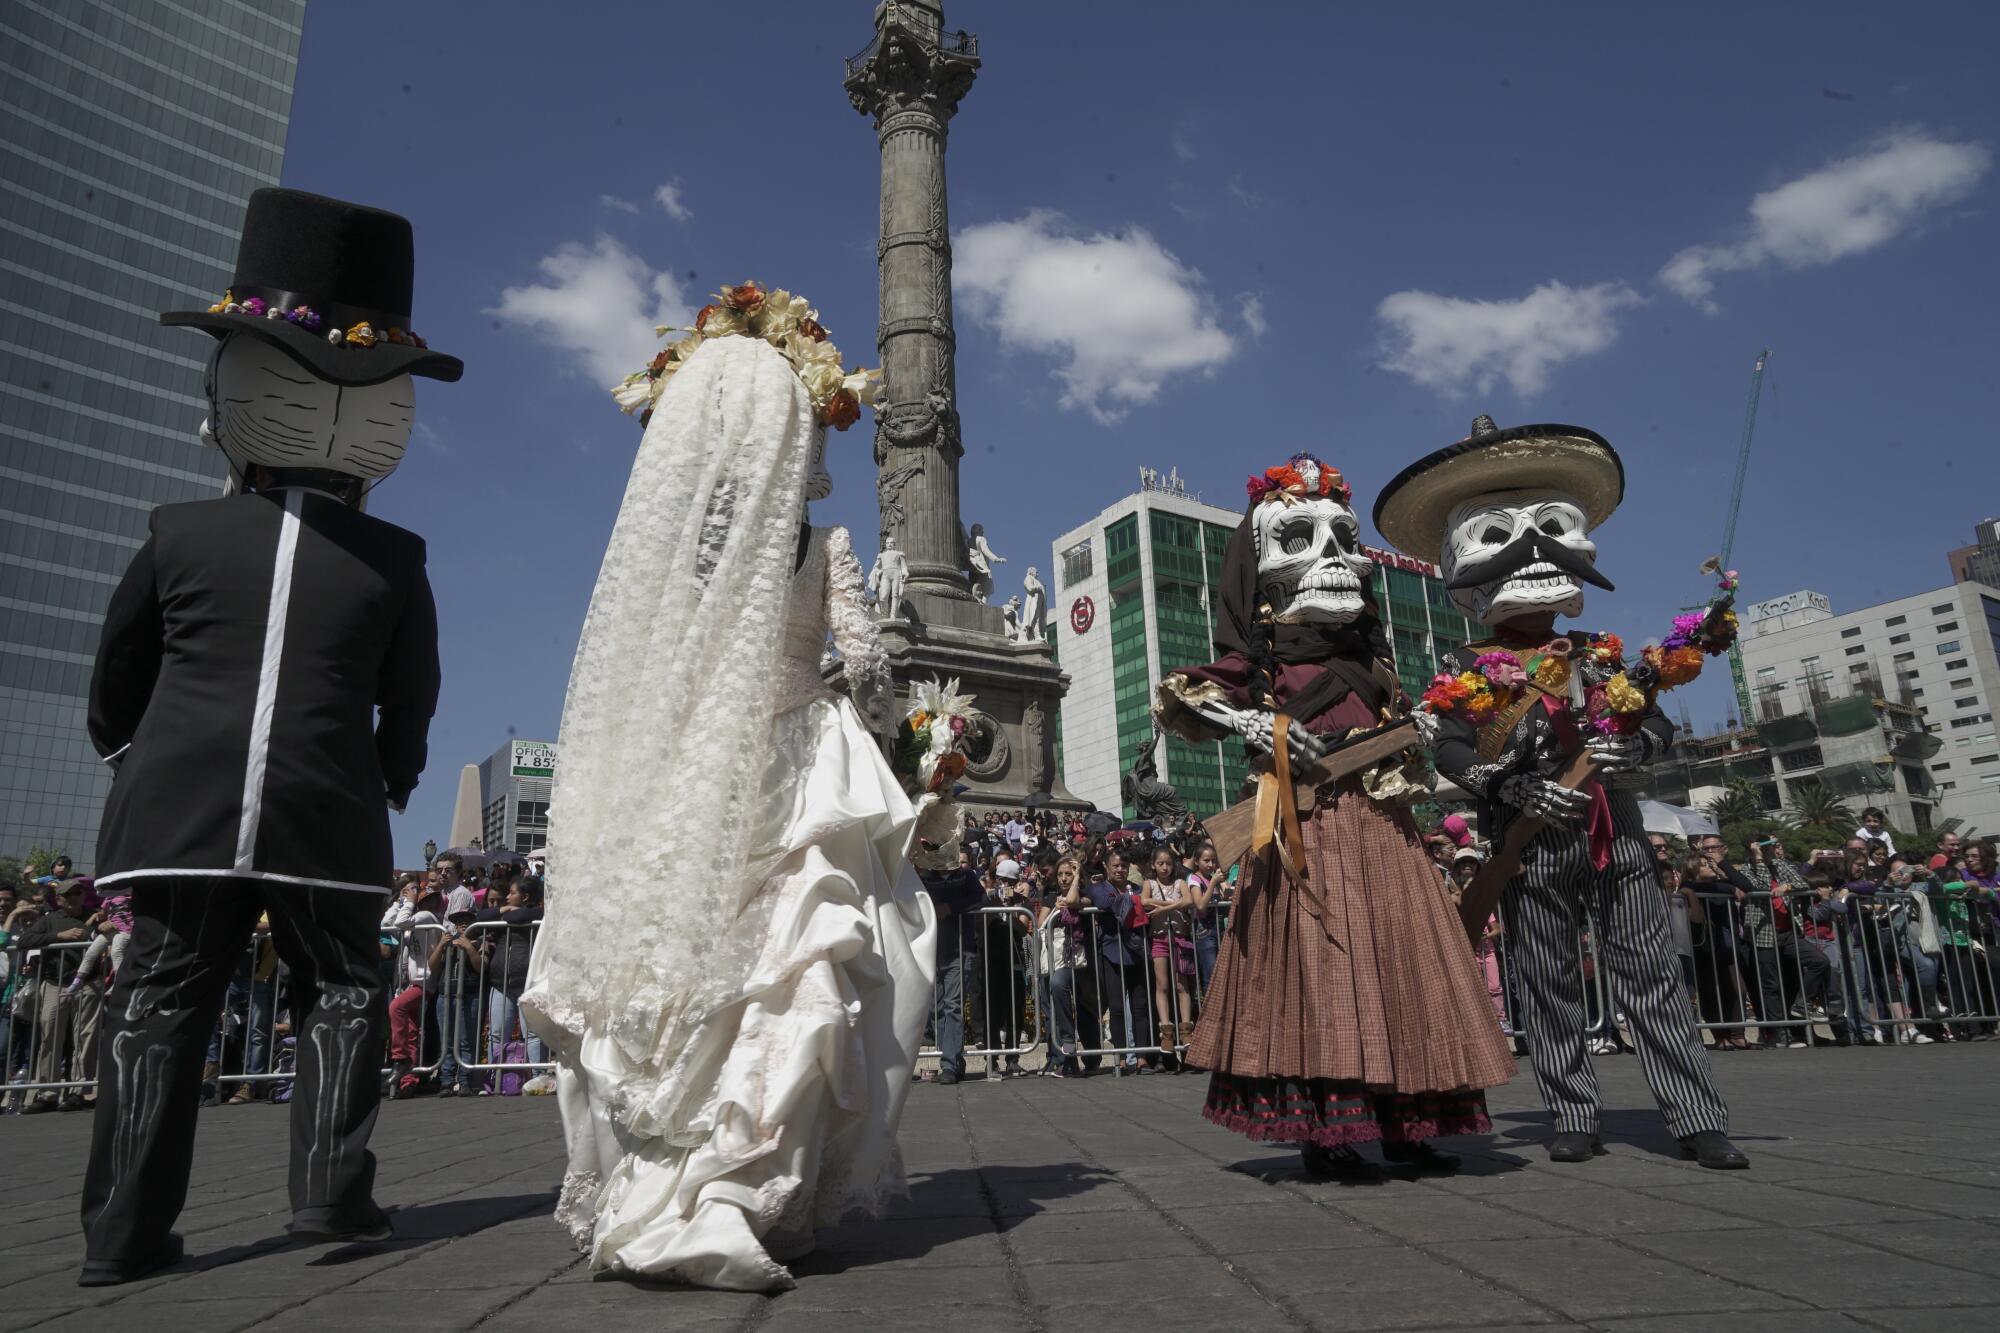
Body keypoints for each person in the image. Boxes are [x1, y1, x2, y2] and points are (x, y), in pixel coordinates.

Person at [75, 190, 453, 1285]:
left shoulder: (176, 532)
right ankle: (331, 1192)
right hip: (325, 798)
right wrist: (392, 777)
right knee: (340, 984)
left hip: (176, 799)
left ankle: (122, 1232)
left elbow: (118, 673)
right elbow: (410, 697)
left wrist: (129, 758)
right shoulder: (396, 558)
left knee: (158, 998)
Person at [520, 307, 936, 1292]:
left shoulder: (668, 557)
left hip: (686, 773)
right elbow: (870, 668)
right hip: (797, 764)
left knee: (685, 971)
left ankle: (652, 1180)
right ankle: (743, 1188)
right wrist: (871, 713)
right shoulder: (817, 544)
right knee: (794, 969)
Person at [1375, 417, 1742, 1169]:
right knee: (1545, 978)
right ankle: (1573, 1109)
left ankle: (1696, 1115)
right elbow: (1440, 742)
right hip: (1526, 839)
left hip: (1615, 832)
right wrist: (1503, 779)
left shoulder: (1604, 658)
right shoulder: (1464, 674)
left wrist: (1632, 742)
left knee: (1649, 972)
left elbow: (1659, 726)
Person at [1157, 454, 1513, 1176]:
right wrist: (1250, 724)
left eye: (1344, 538)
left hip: (1386, 831)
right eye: (1300, 538)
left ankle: (1408, 1126)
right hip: (1307, 831)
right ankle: (1329, 1136)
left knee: (1403, 970)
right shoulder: (1261, 661)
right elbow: (1181, 695)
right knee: (1326, 974)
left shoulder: (1377, 665)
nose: (1336, 556)